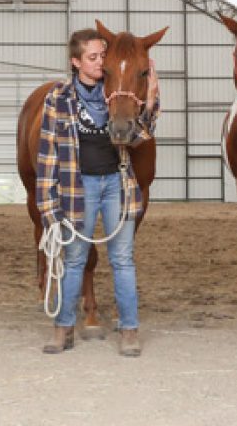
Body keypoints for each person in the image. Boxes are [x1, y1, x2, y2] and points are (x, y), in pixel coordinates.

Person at [36, 28, 159, 357]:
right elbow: (48, 156)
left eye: (102, 56)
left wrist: (151, 98)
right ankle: (63, 326)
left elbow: (139, 137)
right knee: (74, 259)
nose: (100, 62)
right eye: (92, 58)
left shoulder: (117, 94)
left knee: (123, 259)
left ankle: (129, 329)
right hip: (80, 188)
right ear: (76, 62)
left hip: (116, 185)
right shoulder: (59, 99)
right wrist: (48, 208)